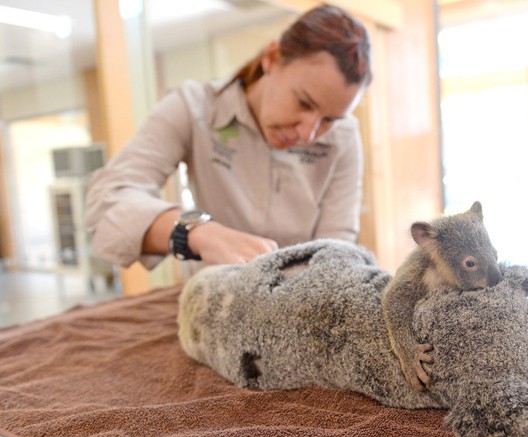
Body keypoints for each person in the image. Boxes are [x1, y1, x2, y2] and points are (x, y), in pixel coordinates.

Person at [85, 4, 372, 270]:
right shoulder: (194, 108)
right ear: (272, 58)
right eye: (304, 103)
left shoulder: (343, 138)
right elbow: (108, 202)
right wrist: (198, 233)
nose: (307, 133)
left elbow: (336, 249)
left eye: (329, 120)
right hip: (217, 303)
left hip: (301, 306)